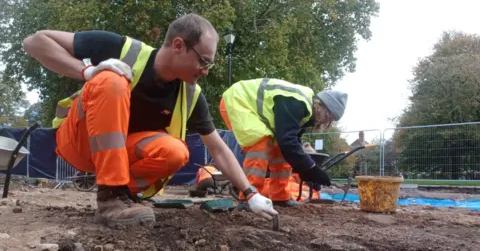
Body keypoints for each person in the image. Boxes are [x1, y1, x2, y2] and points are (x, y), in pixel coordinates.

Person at [23, 13, 278, 226]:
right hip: (79, 143)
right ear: (179, 45)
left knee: (175, 151)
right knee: (113, 80)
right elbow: (35, 42)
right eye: (203, 61)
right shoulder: (122, 50)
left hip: (118, 155)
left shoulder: (189, 94)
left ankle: (123, 195)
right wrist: (88, 71)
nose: (206, 71)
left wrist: (251, 193)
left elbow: (219, 149)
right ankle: (110, 196)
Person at [219, 78, 348, 207]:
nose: (326, 121)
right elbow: (288, 141)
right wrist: (311, 168)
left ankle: (280, 197)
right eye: (328, 115)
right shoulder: (296, 101)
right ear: (321, 105)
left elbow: (292, 144)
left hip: (248, 107)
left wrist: (305, 170)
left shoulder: (306, 113)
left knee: (280, 152)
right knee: (261, 144)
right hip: (238, 101)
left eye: (331, 119)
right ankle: (250, 197)